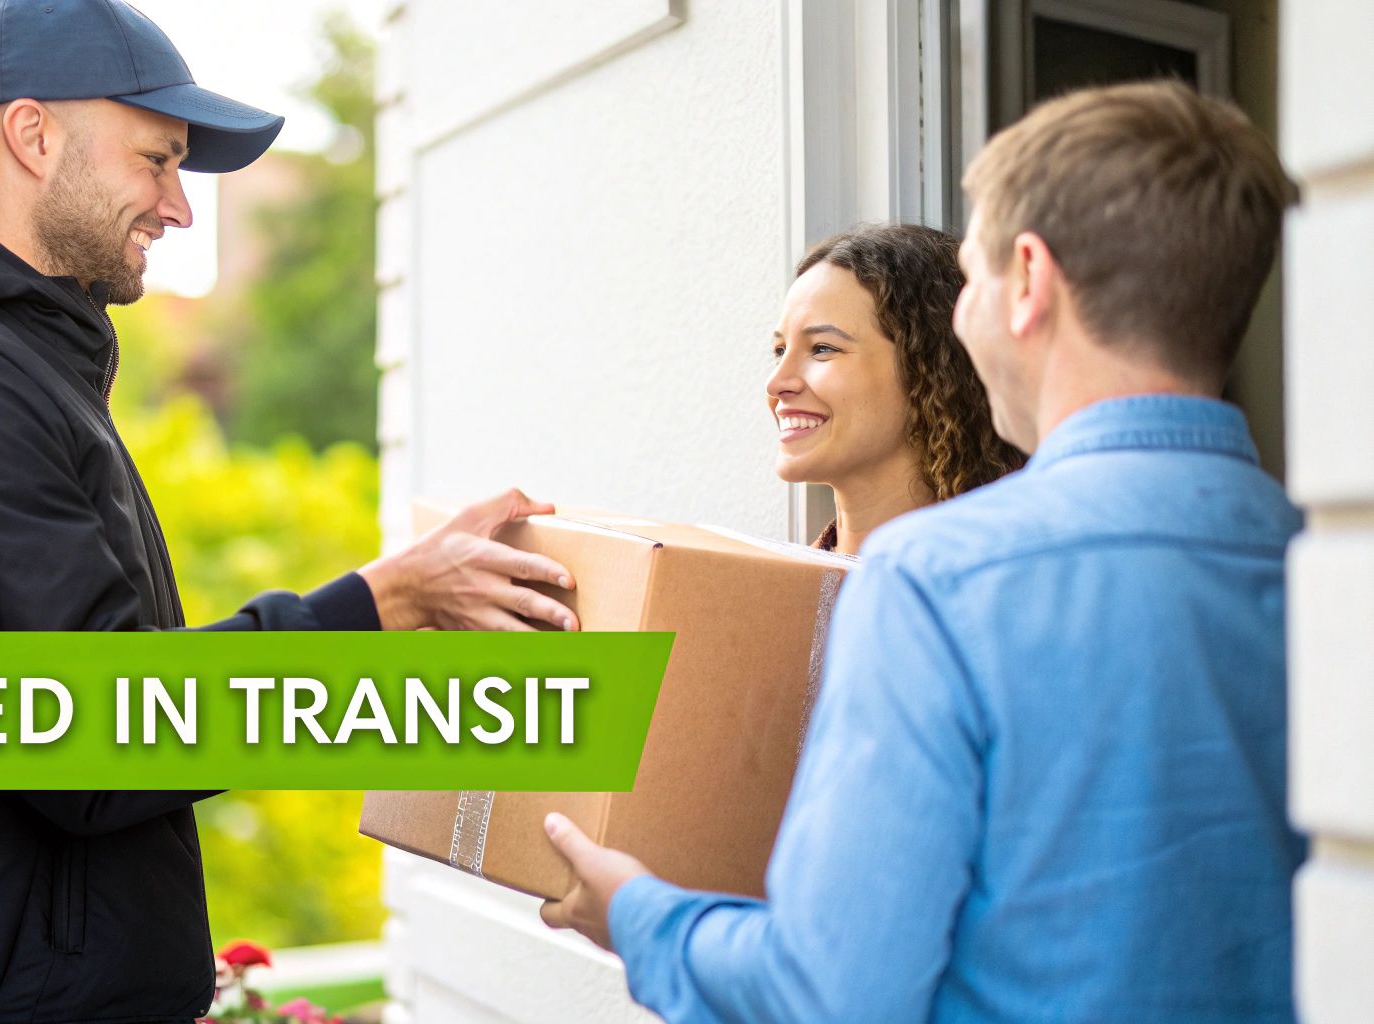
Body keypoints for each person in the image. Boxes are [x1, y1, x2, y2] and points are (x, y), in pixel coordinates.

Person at [0, 2, 578, 1021]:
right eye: (157, 160)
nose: (180, 207)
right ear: (32, 136)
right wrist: (380, 604)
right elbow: (96, 732)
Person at [541, 79, 1302, 1022]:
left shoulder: (943, 583)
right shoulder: (1325, 568)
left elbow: (829, 995)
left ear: (1028, 281)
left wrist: (642, 918)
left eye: (972, 284)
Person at [769, 224, 1022, 555]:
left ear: (927, 370)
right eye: (779, 351)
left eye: (822, 348)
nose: (776, 384)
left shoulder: (1000, 581)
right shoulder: (770, 591)